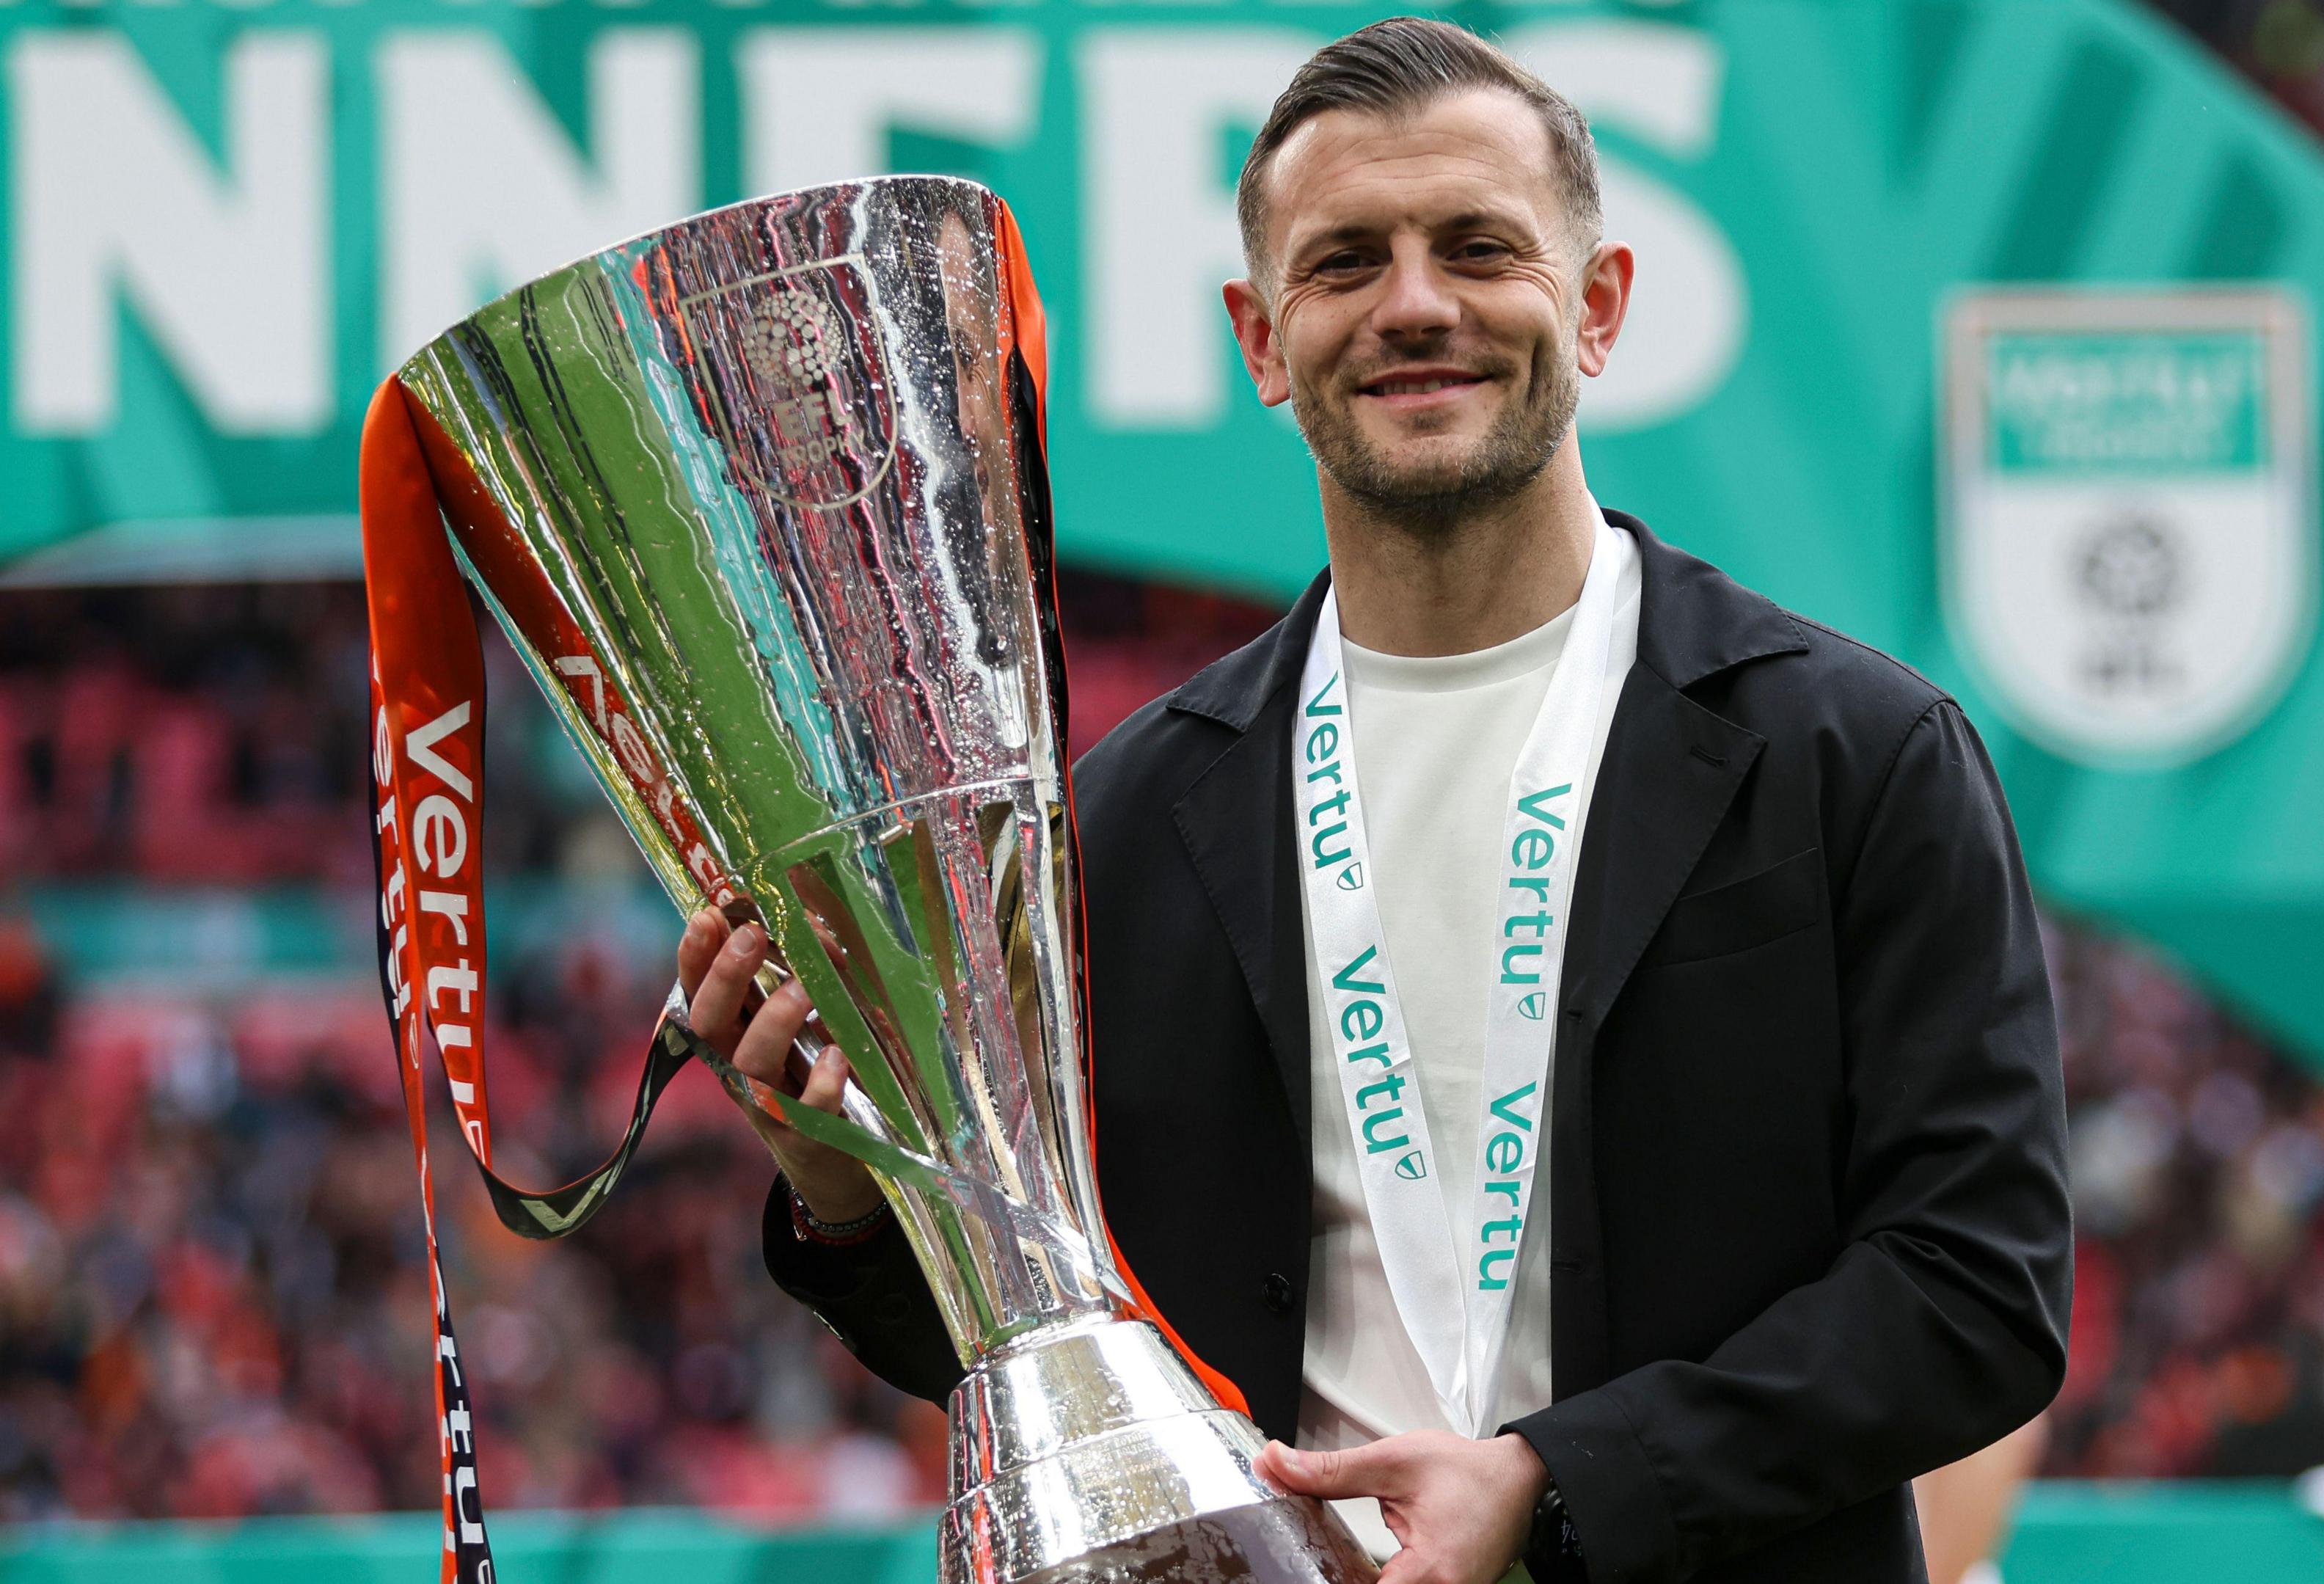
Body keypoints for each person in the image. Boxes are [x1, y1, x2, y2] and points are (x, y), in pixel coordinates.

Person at [677, 18, 2070, 1584]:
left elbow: (1976, 1294)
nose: (1416, 305)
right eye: (1344, 263)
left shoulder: (1856, 755)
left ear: (1599, 306)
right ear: (1261, 339)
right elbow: (1033, 1343)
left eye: (1478, 247)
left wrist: (1559, 1485)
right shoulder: (1118, 830)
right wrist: (844, 1190)